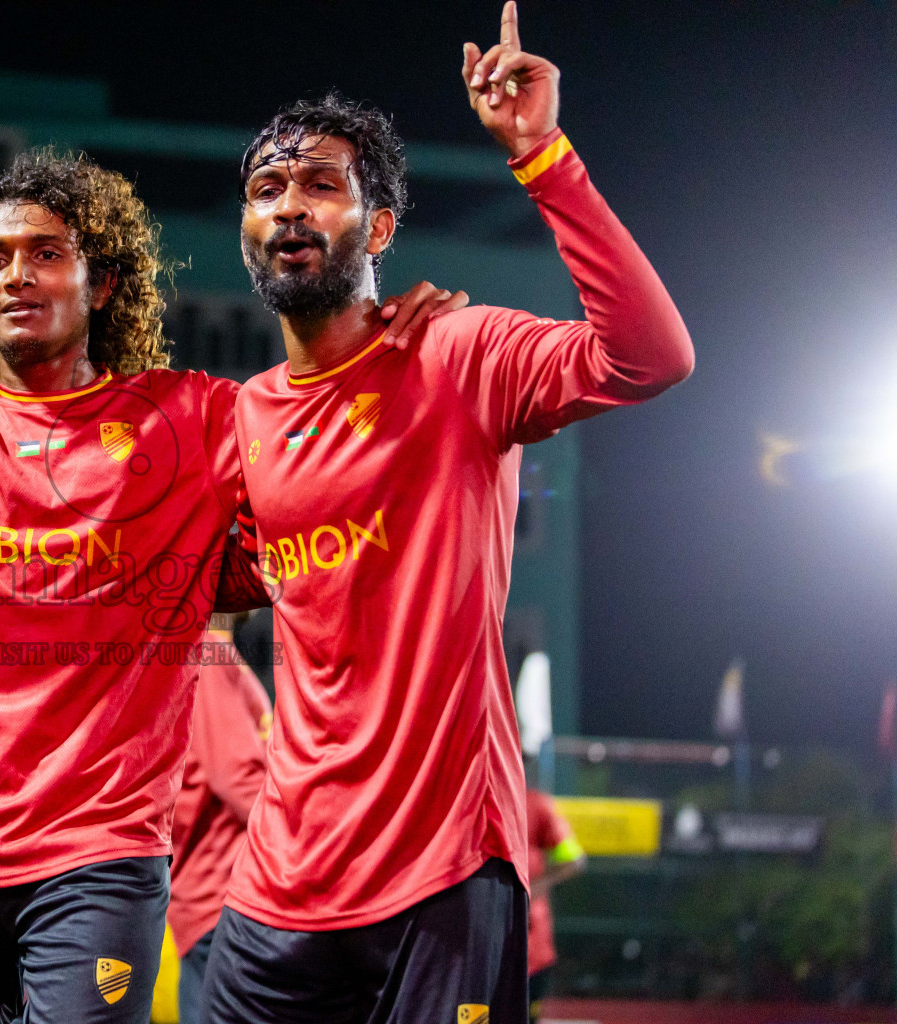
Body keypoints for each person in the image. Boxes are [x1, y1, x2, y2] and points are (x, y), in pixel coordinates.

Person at [0, 57, 462, 1024]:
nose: (17, 274)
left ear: (101, 284)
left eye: (45, 253)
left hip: (97, 861)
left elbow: (318, 451)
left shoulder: (196, 418)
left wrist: (398, 337)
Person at [202, 4, 694, 1022]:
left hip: (440, 873)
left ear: (378, 226)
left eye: (322, 184)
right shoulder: (244, 417)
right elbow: (203, 591)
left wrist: (543, 157)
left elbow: (651, 357)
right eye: (267, 188)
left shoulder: (459, 353)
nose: (290, 206)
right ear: (247, 230)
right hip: (279, 884)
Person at [167, 613, 271, 1024]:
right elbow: (237, 778)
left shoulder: (203, 651)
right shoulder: (209, 651)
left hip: (211, 903)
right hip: (224, 902)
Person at [526, 786, 585, 1022]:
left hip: (531, 949)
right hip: (483, 947)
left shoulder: (536, 804)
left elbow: (573, 859)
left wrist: (532, 889)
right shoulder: (472, 797)